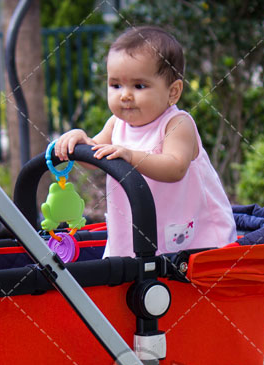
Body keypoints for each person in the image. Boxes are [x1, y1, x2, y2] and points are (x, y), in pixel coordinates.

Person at [55, 26, 236, 257]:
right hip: (134, 233)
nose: (125, 95)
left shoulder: (177, 124)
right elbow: (95, 157)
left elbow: (175, 167)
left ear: (173, 92)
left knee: (178, 283)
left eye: (139, 86)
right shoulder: (116, 124)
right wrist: (80, 140)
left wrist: (130, 156)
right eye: (116, 85)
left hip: (193, 238)